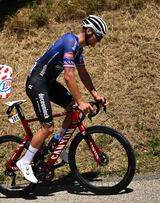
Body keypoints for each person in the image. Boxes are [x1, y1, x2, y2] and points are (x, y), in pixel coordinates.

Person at [16, 15, 108, 183]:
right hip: (37, 82)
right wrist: (81, 101)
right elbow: (68, 75)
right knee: (48, 127)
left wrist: (95, 94)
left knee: (71, 108)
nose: (99, 41)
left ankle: (57, 143)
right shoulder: (70, 41)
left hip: (48, 82)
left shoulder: (78, 49)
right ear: (88, 32)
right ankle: (25, 161)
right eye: (98, 36)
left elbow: (82, 73)